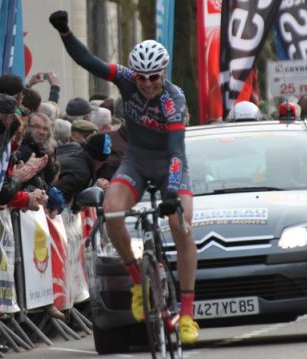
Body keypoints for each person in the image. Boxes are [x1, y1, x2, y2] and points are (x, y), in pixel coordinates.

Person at [50, 10, 199, 344]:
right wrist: (65, 33)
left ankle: (187, 313)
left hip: (169, 165)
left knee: (181, 225)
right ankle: (138, 282)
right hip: (136, 161)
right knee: (112, 210)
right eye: (142, 77)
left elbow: (176, 151)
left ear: (164, 73)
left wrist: (173, 190)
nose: (146, 84)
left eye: (154, 78)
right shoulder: (127, 79)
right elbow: (90, 62)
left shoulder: (173, 99)